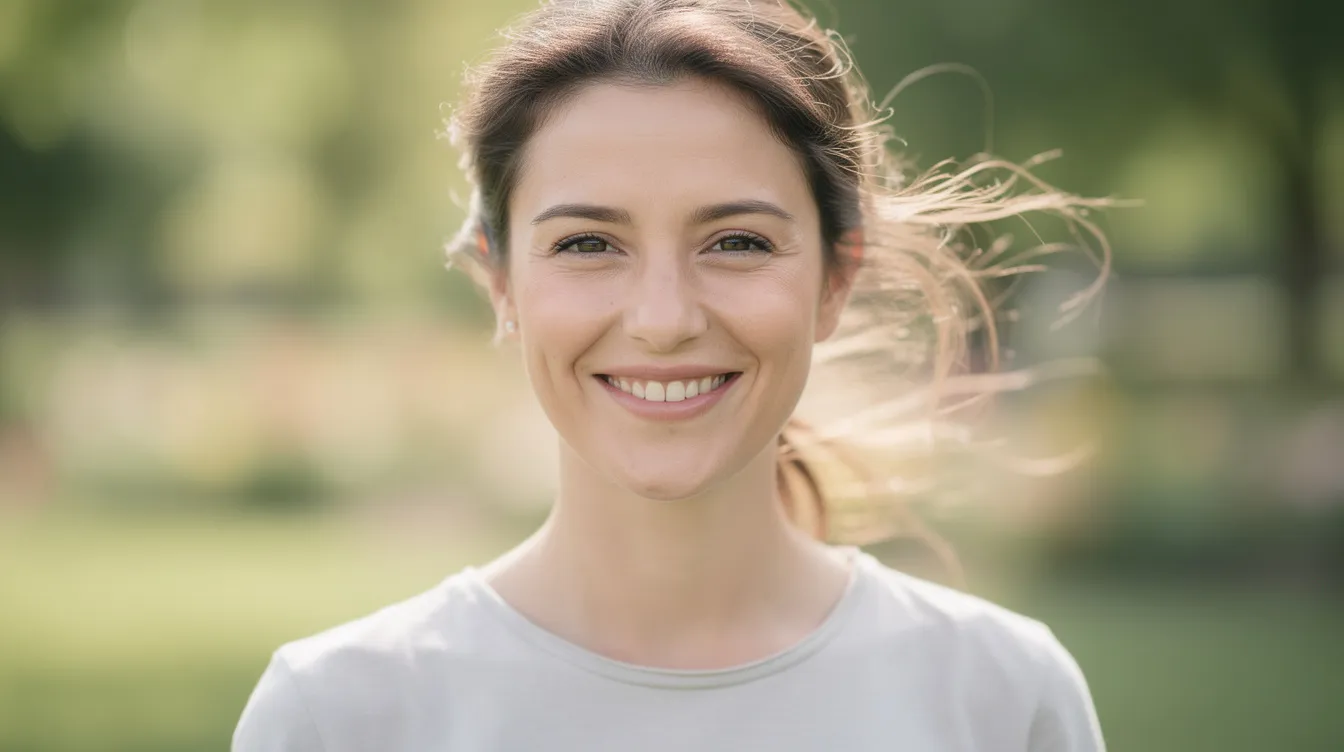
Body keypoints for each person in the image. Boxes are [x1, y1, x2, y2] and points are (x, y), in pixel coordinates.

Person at [233, 0, 1109, 749]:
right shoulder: (338, 715)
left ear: (835, 279)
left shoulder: (1000, 699)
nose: (663, 319)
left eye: (737, 242)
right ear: (500, 283)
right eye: (587, 243)